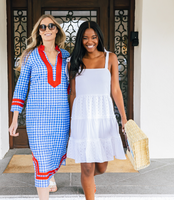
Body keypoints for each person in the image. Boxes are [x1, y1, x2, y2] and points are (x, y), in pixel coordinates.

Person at [8, 14, 70, 200]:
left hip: (61, 115)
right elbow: (20, 87)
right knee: (41, 159)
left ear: (56, 30)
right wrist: (14, 119)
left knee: (55, 153)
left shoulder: (65, 56)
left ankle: (50, 177)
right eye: (42, 27)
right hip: (38, 117)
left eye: (51, 26)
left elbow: (72, 86)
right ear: (38, 32)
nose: (47, 29)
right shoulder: (30, 56)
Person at [67, 21, 127, 200]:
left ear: (99, 38)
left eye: (93, 37)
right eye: (85, 38)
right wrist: (71, 122)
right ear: (80, 40)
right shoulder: (73, 62)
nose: (89, 41)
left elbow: (115, 90)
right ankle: (88, 191)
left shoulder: (111, 58)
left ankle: (89, 183)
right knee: (86, 167)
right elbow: (74, 93)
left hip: (103, 116)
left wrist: (124, 118)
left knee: (101, 167)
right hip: (82, 117)